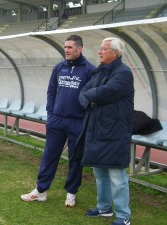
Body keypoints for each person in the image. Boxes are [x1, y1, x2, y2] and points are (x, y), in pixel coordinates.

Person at [20, 35, 95, 207]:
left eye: (70, 47)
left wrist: (85, 119)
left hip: (77, 122)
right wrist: (51, 114)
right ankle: (41, 190)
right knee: (49, 155)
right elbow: (51, 91)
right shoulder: (59, 67)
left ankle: (71, 193)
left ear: (79, 49)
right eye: (65, 47)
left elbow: (93, 98)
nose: (66, 50)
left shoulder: (89, 70)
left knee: (75, 159)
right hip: (57, 120)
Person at [76, 37, 134, 225]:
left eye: (104, 49)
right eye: (100, 48)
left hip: (114, 132)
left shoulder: (123, 73)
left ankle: (124, 217)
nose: (99, 51)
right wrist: (91, 97)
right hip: (97, 129)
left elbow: (104, 93)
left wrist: (92, 96)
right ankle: (104, 208)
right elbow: (83, 93)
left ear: (115, 53)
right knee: (99, 172)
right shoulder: (99, 71)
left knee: (117, 176)